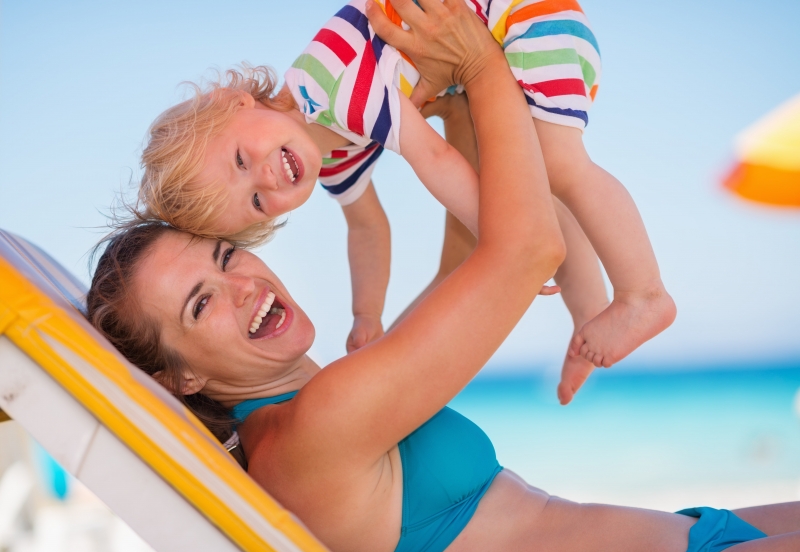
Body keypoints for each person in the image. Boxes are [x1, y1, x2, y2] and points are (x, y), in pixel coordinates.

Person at [89, 3, 800, 552]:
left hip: (691, 535)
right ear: (179, 379)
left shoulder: (317, 405)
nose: (242, 284)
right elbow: (525, 250)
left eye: (223, 257)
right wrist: (484, 65)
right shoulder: (313, 432)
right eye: (201, 304)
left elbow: (468, 267)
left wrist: (458, 105)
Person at [135, 0, 675, 405]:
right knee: (542, 179)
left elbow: (434, 158)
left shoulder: (325, 86)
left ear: (234, 102)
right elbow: (366, 227)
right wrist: (367, 313)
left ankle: (644, 294)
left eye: (238, 159)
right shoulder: (331, 159)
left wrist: (504, 239)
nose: (268, 179)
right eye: (255, 200)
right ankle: (589, 321)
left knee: (557, 165)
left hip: (521, 15)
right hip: (499, 40)